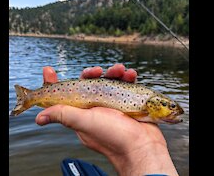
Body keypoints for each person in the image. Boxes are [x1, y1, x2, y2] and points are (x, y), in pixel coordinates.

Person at [35, 64, 179, 176]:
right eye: (172, 106)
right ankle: (34, 97)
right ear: (155, 104)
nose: (175, 111)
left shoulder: (146, 106)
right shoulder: (144, 108)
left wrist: (141, 148)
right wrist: (139, 152)